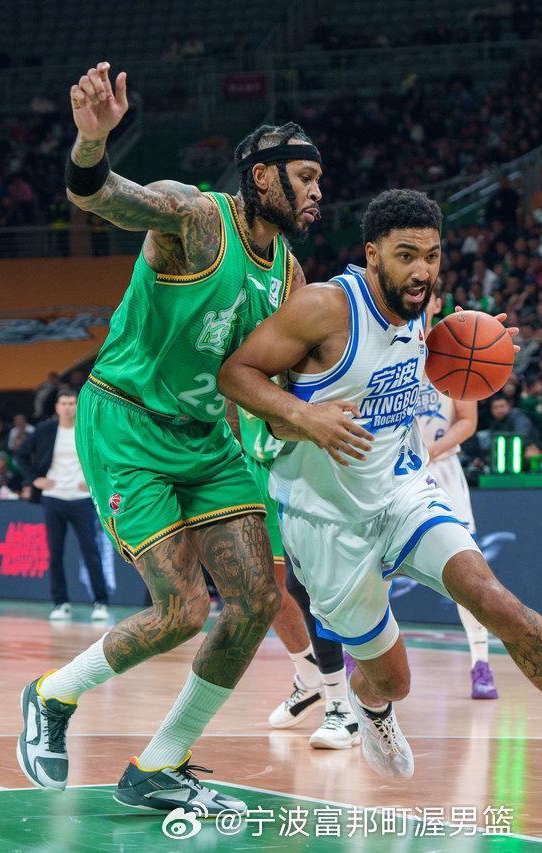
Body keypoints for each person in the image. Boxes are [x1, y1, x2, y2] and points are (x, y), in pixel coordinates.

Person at [220, 189, 542, 788]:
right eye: (406, 255)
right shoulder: (323, 307)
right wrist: (303, 415)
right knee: (393, 681)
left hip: (403, 494)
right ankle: (371, 706)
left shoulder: (423, 311)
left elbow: (416, 366)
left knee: (494, 599)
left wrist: (476, 347)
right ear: (373, 254)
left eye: (433, 255)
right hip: (327, 520)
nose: (422, 269)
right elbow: (235, 373)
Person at [17, 61, 322, 817]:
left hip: (206, 436)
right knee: (181, 609)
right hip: (127, 424)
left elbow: (291, 381)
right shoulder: (197, 218)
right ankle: (53, 693)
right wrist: (93, 142)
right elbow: (99, 194)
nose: (318, 191)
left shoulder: (288, 274)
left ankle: (160, 762)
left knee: (257, 600)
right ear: (262, 176)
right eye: (306, 177)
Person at [235, 403, 357, 748]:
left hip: (305, 467)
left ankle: (344, 704)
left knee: (311, 588)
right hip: (255, 466)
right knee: (262, 589)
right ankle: (310, 677)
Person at [415, 282, 498, 700]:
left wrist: (432, 451)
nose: (417, 300)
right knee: (377, 568)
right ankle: (359, 657)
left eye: (425, 294)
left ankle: (481, 662)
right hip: (393, 469)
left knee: (466, 571)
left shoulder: (454, 349)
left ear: (436, 302)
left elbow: (468, 420)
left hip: (441, 467)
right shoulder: (389, 344)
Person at [16, 388, 110, 622]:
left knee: (91, 550)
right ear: (57, 407)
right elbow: (20, 456)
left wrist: (93, 481)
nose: (68, 408)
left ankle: (101, 603)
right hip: (53, 497)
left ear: (78, 406)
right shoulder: (45, 430)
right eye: (64, 403)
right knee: (55, 552)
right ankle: (61, 603)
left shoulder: (88, 428)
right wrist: (34, 480)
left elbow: (107, 456)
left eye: (72, 403)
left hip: (81, 500)